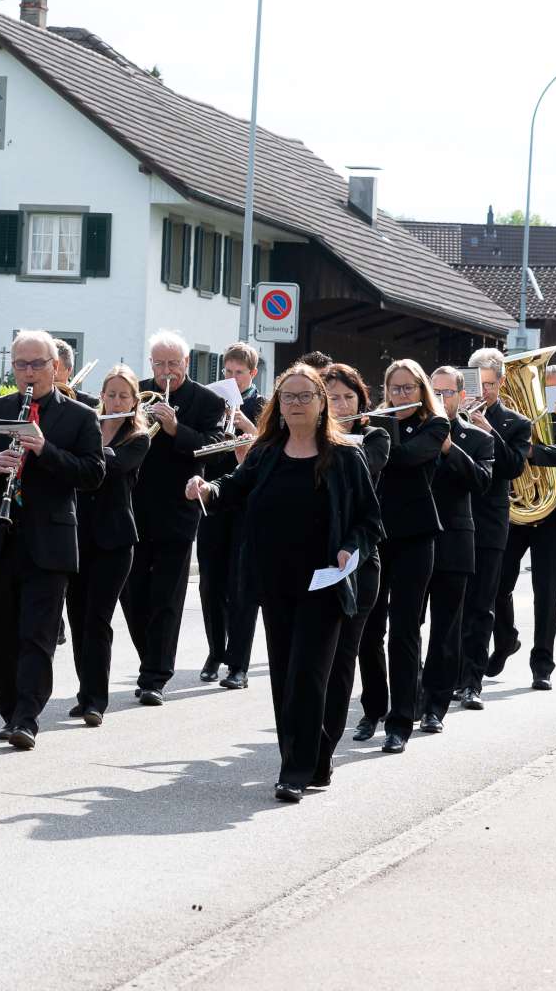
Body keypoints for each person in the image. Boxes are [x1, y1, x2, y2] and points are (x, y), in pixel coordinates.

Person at [192, 363, 383, 803]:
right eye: (288, 397)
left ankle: (293, 772)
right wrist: (207, 489)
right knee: (284, 677)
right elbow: (233, 487)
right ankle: (311, 761)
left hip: (324, 584)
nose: (296, 404)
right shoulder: (266, 453)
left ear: (321, 404)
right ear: (278, 406)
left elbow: (370, 521)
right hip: (274, 581)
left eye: (305, 396)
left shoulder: (345, 456)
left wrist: (349, 547)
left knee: (307, 676)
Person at [0, 330, 105, 748]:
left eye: (38, 364)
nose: (29, 372)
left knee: (37, 635)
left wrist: (45, 450)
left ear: (55, 367)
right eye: (21, 365)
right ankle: (10, 713)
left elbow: (93, 473)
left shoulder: (79, 416)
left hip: (47, 542)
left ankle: (27, 717)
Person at [121, 329, 227, 706]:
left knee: (167, 596)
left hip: (178, 510)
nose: (166, 372)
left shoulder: (208, 401)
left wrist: (175, 429)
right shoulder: (136, 392)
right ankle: (150, 659)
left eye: (173, 364)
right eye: (159, 364)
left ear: (186, 363)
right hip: (133, 506)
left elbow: (215, 449)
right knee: (132, 594)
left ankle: (155, 676)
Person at [358, 359, 448, 754]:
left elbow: (405, 458)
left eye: (408, 388)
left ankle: (401, 722)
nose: (400, 395)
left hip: (416, 536)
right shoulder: (375, 423)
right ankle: (373, 709)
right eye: (394, 389)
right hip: (377, 535)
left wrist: (381, 429)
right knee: (368, 629)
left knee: (405, 630)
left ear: (421, 389)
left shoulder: (436, 425)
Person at [311, 363, 390, 788]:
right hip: (310, 562)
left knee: (343, 657)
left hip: (357, 562)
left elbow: (368, 466)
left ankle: (324, 748)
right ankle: (307, 742)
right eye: (332, 398)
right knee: (310, 661)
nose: (340, 405)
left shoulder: (375, 437)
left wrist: (332, 438)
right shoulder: (300, 438)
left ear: (361, 401)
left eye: (347, 398)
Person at [495, 363, 556, 691]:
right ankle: (505, 640)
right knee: (496, 584)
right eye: (545, 388)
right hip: (518, 512)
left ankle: (542, 665)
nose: (551, 395)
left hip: (553, 516)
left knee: (547, 593)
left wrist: (530, 450)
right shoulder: (517, 419)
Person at [66, 364, 150, 725]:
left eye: (123, 396)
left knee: (97, 619)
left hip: (115, 539)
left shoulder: (138, 437)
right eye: (111, 394)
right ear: (101, 396)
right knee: (77, 617)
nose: (116, 400)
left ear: (133, 401)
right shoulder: (87, 427)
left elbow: (113, 467)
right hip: (76, 535)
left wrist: (86, 455)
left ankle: (96, 700)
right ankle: (85, 692)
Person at [418, 366, 494, 732]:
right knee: (406, 628)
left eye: (447, 393)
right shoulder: (410, 432)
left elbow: (481, 482)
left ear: (462, 397)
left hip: (454, 543)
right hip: (412, 541)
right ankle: (406, 699)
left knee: (446, 631)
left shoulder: (477, 439)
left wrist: (449, 447)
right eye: (434, 391)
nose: (440, 398)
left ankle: (435, 706)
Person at [458, 348, 531, 707]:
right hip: (453, 521)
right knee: (452, 605)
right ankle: (445, 675)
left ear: (500, 383)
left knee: (481, 606)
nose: (482, 391)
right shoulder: (451, 417)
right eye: (476, 383)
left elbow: (514, 466)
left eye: (489, 384)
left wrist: (488, 432)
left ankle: (472, 681)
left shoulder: (516, 423)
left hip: (489, 523)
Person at [201, 341, 268, 688]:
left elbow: (273, 447)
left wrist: (248, 427)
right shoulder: (212, 402)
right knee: (210, 582)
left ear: (252, 373)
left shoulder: (263, 406)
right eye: (227, 371)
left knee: (242, 584)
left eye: (239, 372)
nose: (232, 377)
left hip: (248, 503)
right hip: (215, 498)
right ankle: (216, 652)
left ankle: (238, 664)